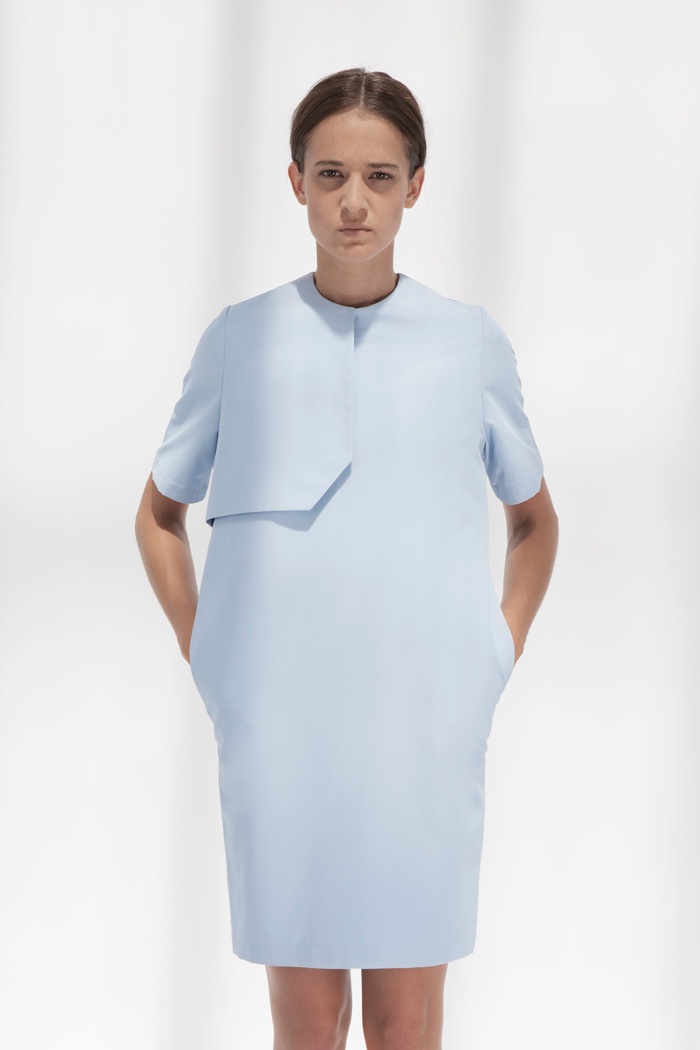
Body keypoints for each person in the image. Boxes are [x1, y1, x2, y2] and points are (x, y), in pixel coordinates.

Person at [135, 67, 558, 1050]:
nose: (353, 201)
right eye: (330, 175)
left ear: (416, 185)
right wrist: (211, 653)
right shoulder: (240, 339)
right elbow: (159, 513)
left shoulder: (468, 344)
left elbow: (534, 522)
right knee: (308, 1022)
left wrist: (495, 652)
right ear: (295, 183)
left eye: (379, 176)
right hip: (281, 729)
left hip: (425, 722)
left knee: (405, 1024)